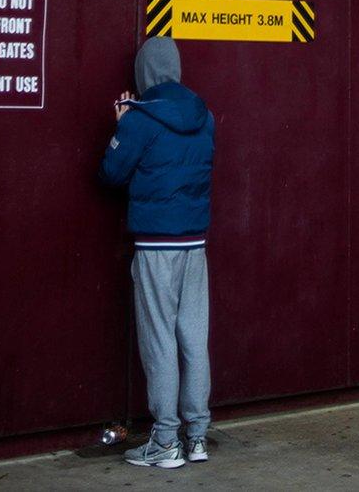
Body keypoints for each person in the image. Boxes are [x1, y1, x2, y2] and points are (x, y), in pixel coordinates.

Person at [99, 37, 215, 470]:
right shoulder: (205, 116)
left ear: (144, 73)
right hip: (194, 244)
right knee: (194, 338)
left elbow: (111, 174)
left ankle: (165, 441)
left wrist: (121, 126)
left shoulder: (140, 118)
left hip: (156, 246)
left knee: (160, 340)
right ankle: (197, 436)